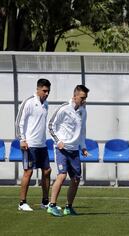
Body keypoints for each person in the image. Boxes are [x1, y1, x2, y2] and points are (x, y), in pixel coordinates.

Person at [47, 85, 90, 217]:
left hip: (74, 150)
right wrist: (58, 141)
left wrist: (83, 147)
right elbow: (51, 125)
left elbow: (82, 132)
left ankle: (68, 207)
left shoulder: (83, 111)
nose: (84, 100)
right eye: (82, 98)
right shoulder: (64, 108)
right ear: (75, 96)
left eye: (85, 98)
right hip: (62, 149)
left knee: (76, 179)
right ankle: (52, 205)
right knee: (62, 175)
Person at [16, 78, 52, 211]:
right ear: (38, 89)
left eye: (48, 91)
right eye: (44, 90)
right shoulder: (28, 102)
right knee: (28, 172)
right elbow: (19, 122)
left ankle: (45, 201)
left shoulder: (46, 104)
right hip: (29, 144)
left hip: (42, 145)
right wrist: (22, 139)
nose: (47, 93)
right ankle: (22, 203)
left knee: (47, 171)